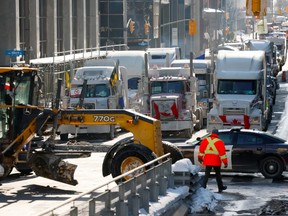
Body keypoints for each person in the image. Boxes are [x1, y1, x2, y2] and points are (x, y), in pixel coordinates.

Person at [198, 129, 228, 193]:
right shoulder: (220, 142)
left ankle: (203, 187)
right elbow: (222, 154)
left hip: (207, 160)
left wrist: (200, 158)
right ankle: (220, 187)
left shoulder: (205, 140)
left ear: (212, 133)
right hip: (216, 161)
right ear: (218, 134)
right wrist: (225, 162)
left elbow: (201, 151)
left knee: (207, 174)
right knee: (218, 175)